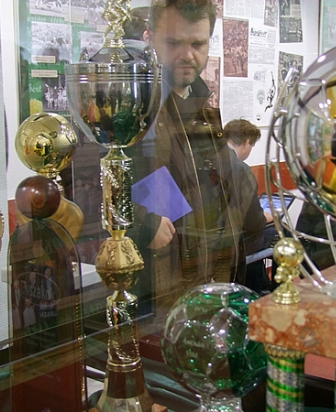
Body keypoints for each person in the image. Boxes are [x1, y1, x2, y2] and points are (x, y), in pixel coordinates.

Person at [125, 0, 253, 321]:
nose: (187, 55)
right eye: (173, 43)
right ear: (150, 38)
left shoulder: (201, 104)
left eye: (197, 44)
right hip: (154, 288)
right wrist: (142, 224)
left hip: (208, 275)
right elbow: (88, 186)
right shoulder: (129, 106)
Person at [224, 119, 274, 294]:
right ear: (246, 142)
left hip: (213, 241)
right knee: (279, 232)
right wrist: (264, 217)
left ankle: (265, 284)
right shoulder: (241, 170)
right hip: (236, 245)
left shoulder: (210, 160)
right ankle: (273, 291)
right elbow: (252, 222)